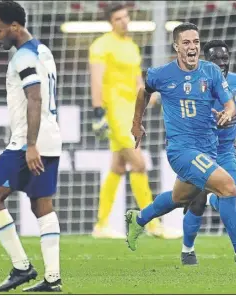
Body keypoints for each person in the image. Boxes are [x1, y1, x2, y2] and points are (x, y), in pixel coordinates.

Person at [125, 22, 236, 273]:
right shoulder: (161, 73)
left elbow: (230, 102)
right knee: (228, 188)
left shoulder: (210, 71)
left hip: (209, 149)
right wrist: (137, 123)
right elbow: (143, 92)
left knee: (180, 198)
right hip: (182, 150)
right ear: (176, 46)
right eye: (186, 42)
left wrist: (228, 112)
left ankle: (139, 218)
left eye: (196, 42)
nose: (192, 47)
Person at [0, 1, 62, 292]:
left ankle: (21, 267)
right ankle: (53, 279)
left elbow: (35, 98)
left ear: (15, 27)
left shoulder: (23, 58)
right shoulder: (43, 51)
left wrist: (29, 145)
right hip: (51, 139)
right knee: (42, 205)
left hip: (28, 142)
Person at [88, 3, 170, 239]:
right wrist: (97, 112)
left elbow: (136, 82)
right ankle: (153, 224)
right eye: (118, 18)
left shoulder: (132, 47)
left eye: (125, 17)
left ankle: (101, 225)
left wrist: (151, 96)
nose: (124, 21)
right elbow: (97, 80)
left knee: (118, 167)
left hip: (130, 112)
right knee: (139, 164)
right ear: (110, 22)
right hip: (113, 113)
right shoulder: (101, 45)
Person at [181, 40, 236, 265]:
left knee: (235, 198)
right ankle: (187, 249)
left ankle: (216, 201)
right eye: (215, 59)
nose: (221, 63)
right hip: (200, 149)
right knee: (196, 201)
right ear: (205, 61)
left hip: (224, 151)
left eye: (224, 58)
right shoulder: (194, 85)